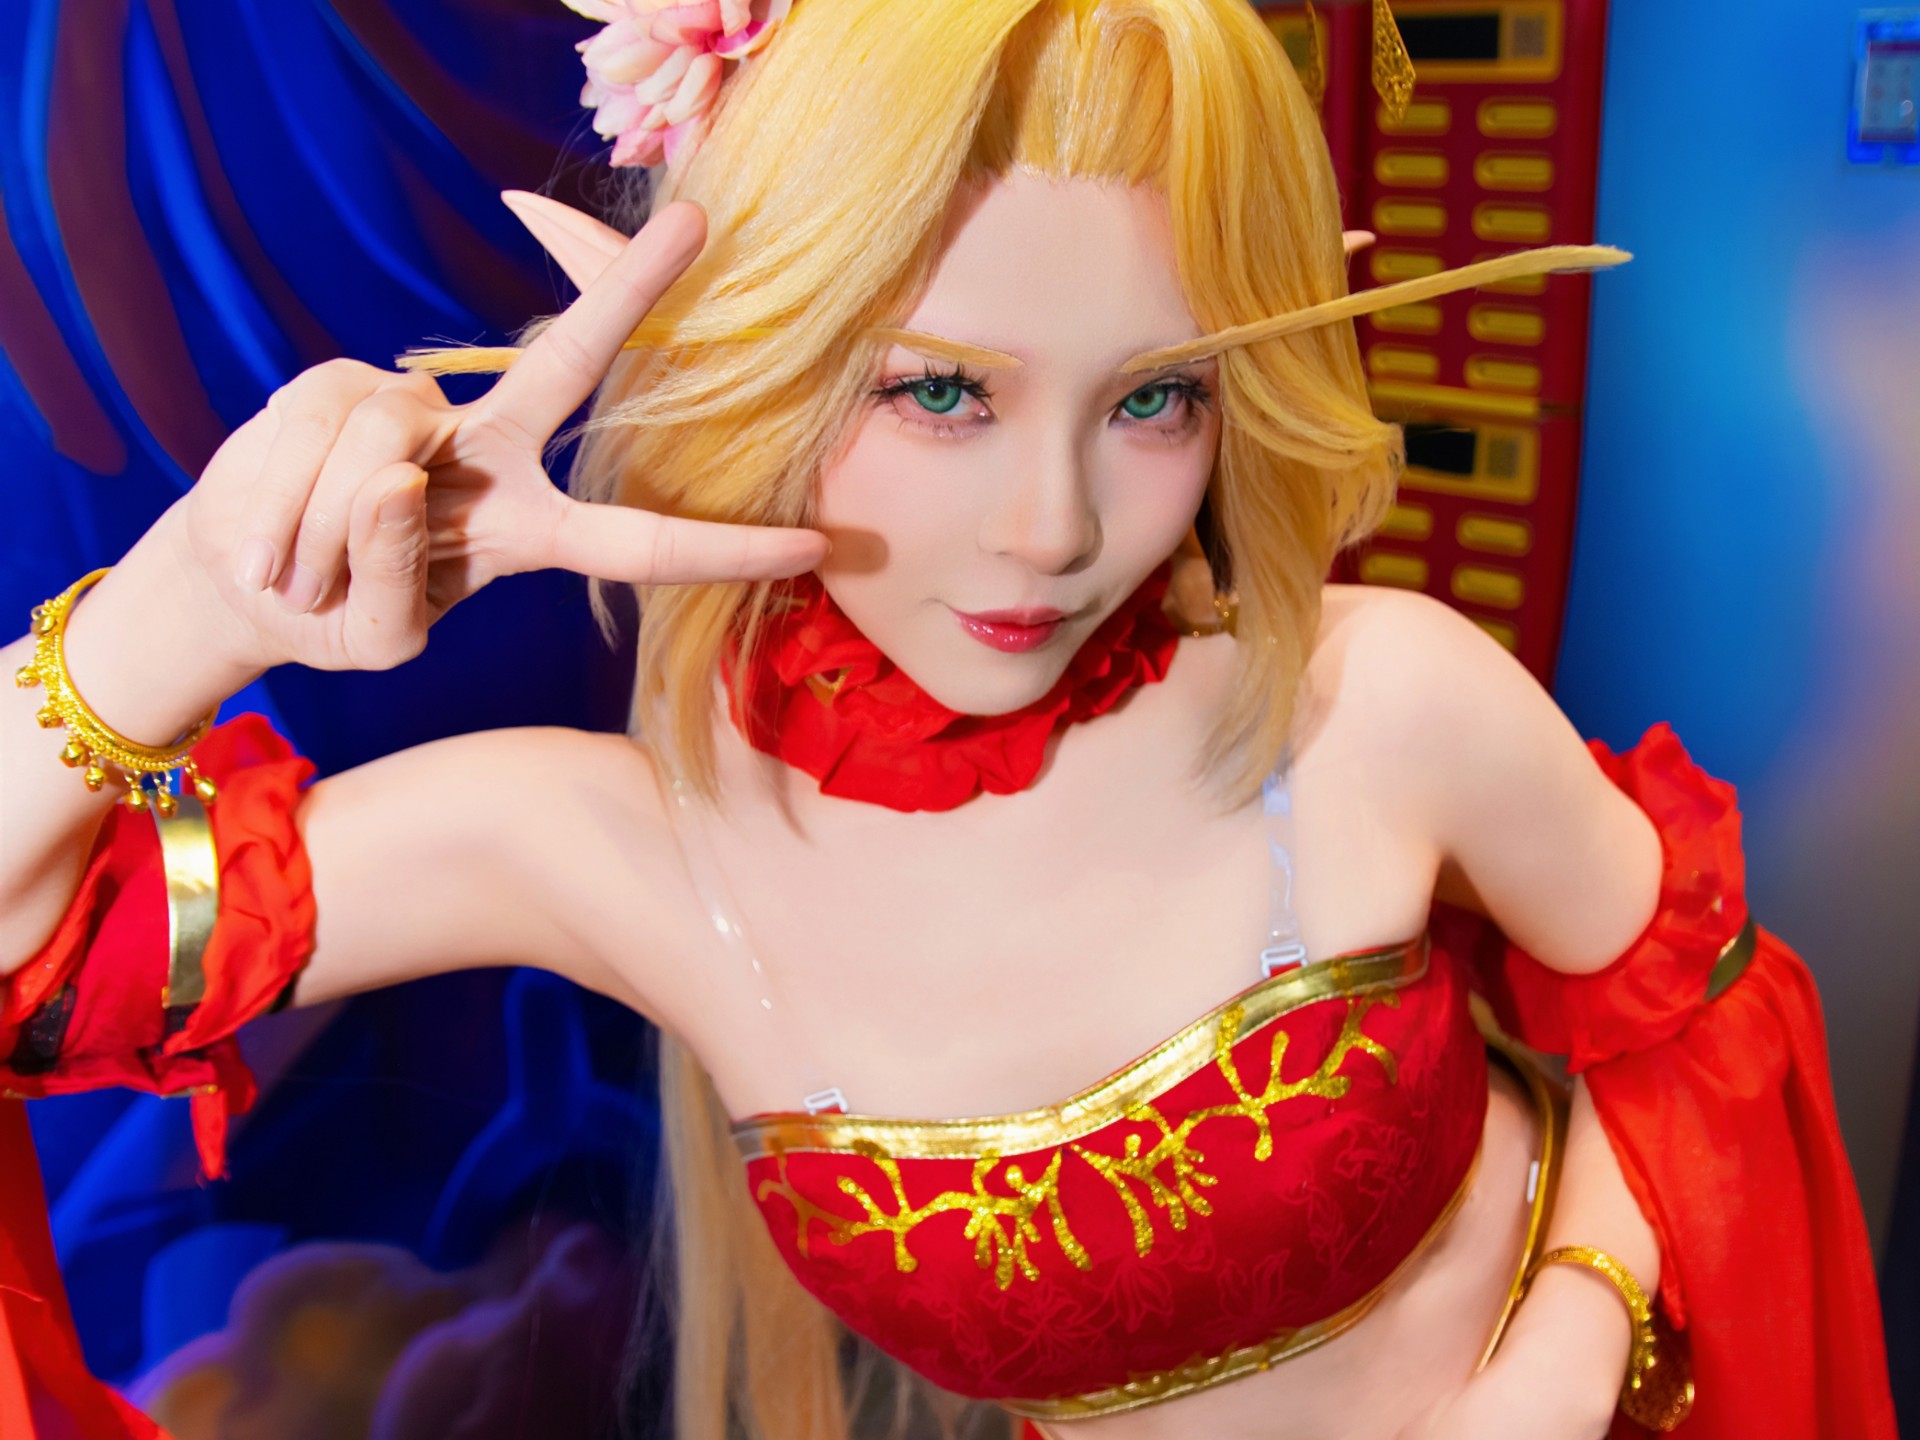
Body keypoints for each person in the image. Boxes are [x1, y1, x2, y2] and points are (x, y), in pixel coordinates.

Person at [0, 1, 1895, 1437]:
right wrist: (192, 609)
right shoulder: (619, 850)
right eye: (937, 394)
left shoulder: (1373, 704)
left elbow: (1705, 1046)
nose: (1051, 529)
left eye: (1154, 398)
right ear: (758, 362)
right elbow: (30, 979)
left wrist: (1560, 1360)